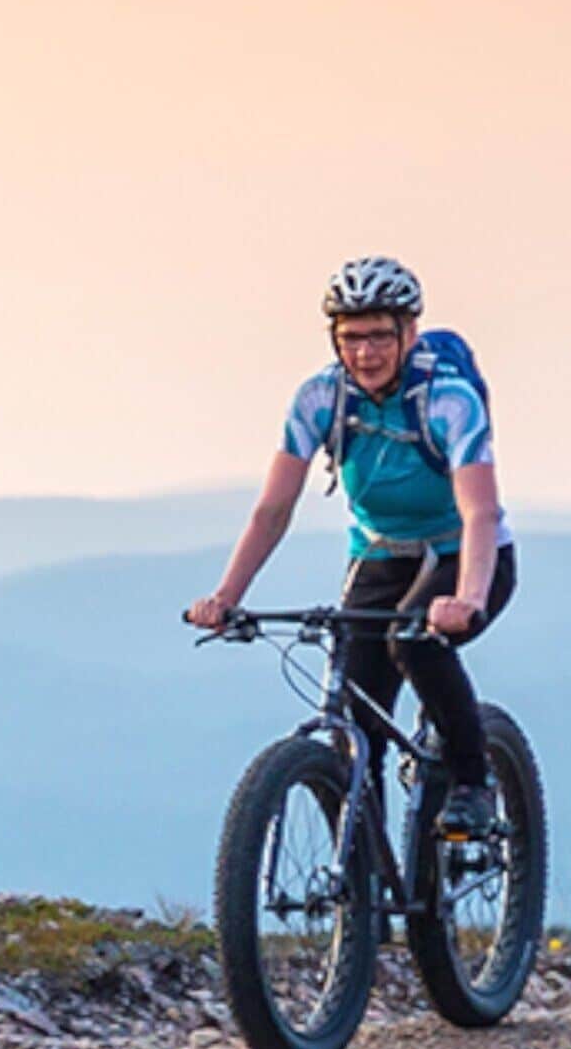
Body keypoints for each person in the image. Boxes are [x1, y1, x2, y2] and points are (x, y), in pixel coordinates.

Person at [187, 257, 518, 838]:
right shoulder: (320, 399)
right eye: (351, 338)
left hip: (463, 555)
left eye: (379, 337)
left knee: (416, 644)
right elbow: (272, 509)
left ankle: (472, 781)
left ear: (408, 334)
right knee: (352, 721)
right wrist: (225, 596)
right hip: (380, 555)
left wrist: (467, 597)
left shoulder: (449, 399)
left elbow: (479, 511)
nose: (365, 353)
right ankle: (359, 888)